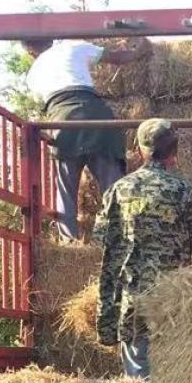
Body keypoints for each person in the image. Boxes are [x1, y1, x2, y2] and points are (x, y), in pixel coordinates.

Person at [97, 118, 192, 379]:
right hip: (175, 301)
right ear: (174, 151)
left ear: (139, 150)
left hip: (134, 301)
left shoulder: (117, 191)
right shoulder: (183, 190)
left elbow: (103, 240)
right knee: (178, 382)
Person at [25, 36, 151, 240]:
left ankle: (69, 243)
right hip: (96, 117)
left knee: (66, 191)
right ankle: (124, 239)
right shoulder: (73, 45)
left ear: (30, 52)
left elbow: (45, 104)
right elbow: (117, 57)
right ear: (52, 39)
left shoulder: (33, 74)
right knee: (115, 187)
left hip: (62, 122)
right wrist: (138, 50)